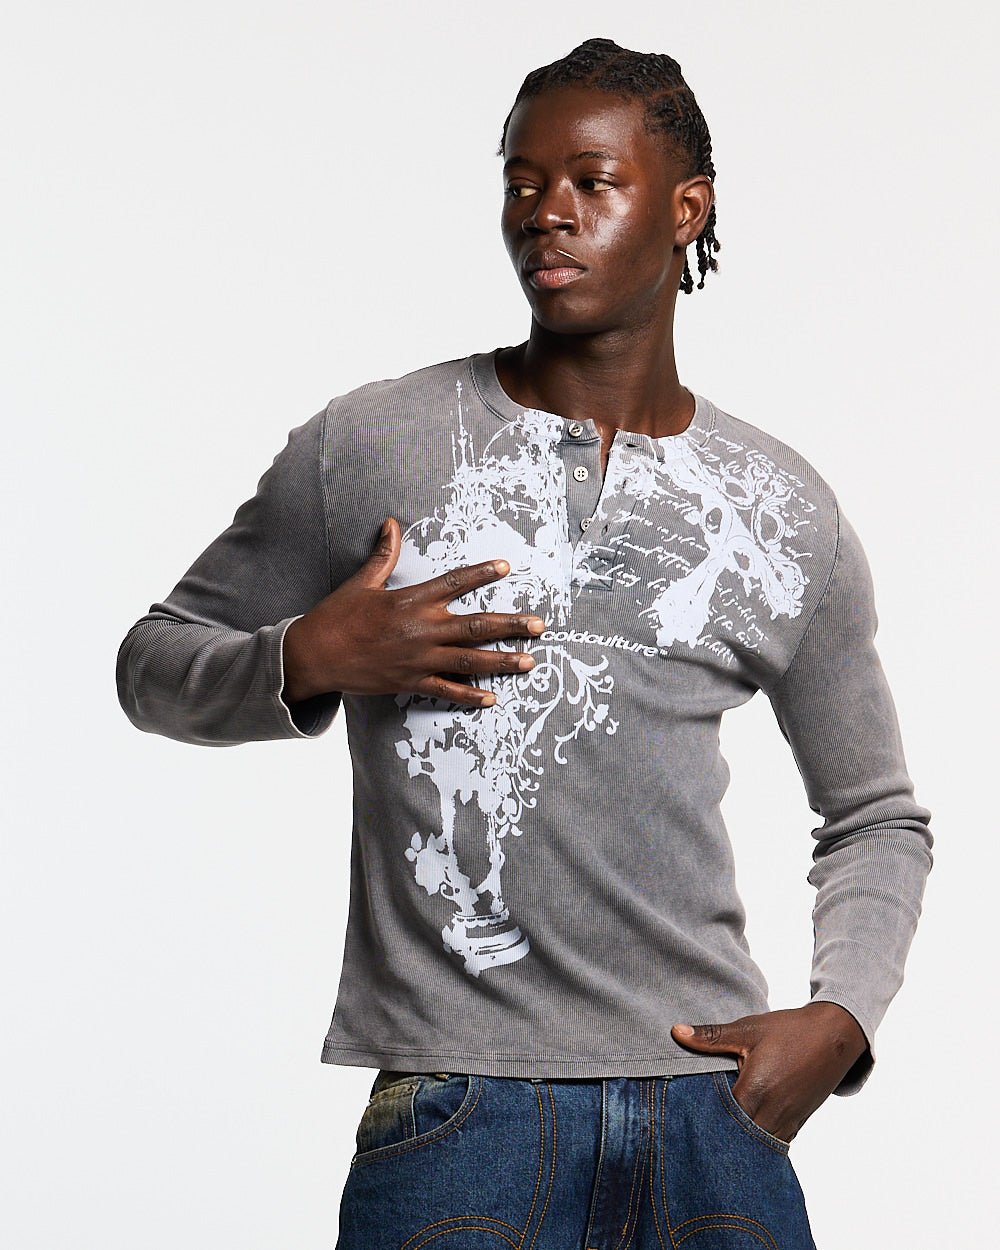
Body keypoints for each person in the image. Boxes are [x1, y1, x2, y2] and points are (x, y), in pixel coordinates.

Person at [117, 37, 932, 1249]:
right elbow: (152, 662)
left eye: (591, 182)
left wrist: (841, 1017)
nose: (546, 211)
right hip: (462, 1115)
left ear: (685, 210)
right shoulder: (371, 444)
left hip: (710, 1110)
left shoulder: (778, 507)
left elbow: (875, 815)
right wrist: (307, 657)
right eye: (522, 181)